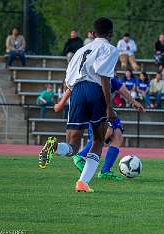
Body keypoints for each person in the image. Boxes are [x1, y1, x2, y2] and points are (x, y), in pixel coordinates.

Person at [38, 17, 119, 193]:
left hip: (76, 92)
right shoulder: (111, 49)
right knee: (98, 140)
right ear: (111, 33)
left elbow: (68, 80)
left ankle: (55, 147)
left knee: (73, 146)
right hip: (94, 90)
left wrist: (65, 100)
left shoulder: (81, 50)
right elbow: (104, 76)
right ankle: (82, 182)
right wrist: (109, 106)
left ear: (92, 33)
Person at [54, 77, 144, 180]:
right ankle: (81, 156)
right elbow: (72, 86)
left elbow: (120, 88)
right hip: (93, 104)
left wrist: (133, 101)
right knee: (107, 131)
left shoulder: (110, 76)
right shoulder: (93, 73)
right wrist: (61, 103)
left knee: (117, 136)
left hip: (106, 108)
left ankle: (105, 171)